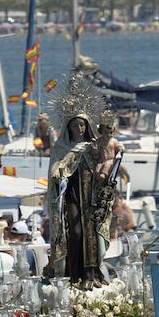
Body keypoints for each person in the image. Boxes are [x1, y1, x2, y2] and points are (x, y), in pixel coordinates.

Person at [45, 113, 113, 284]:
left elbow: (104, 161)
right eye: (75, 125)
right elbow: (56, 166)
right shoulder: (61, 148)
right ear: (68, 128)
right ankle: (73, 273)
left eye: (82, 125)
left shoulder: (92, 145)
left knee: (91, 234)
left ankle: (91, 274)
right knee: (75, 232)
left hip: (90, 196)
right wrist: (57, 173)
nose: (80, 129)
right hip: (72, 194)